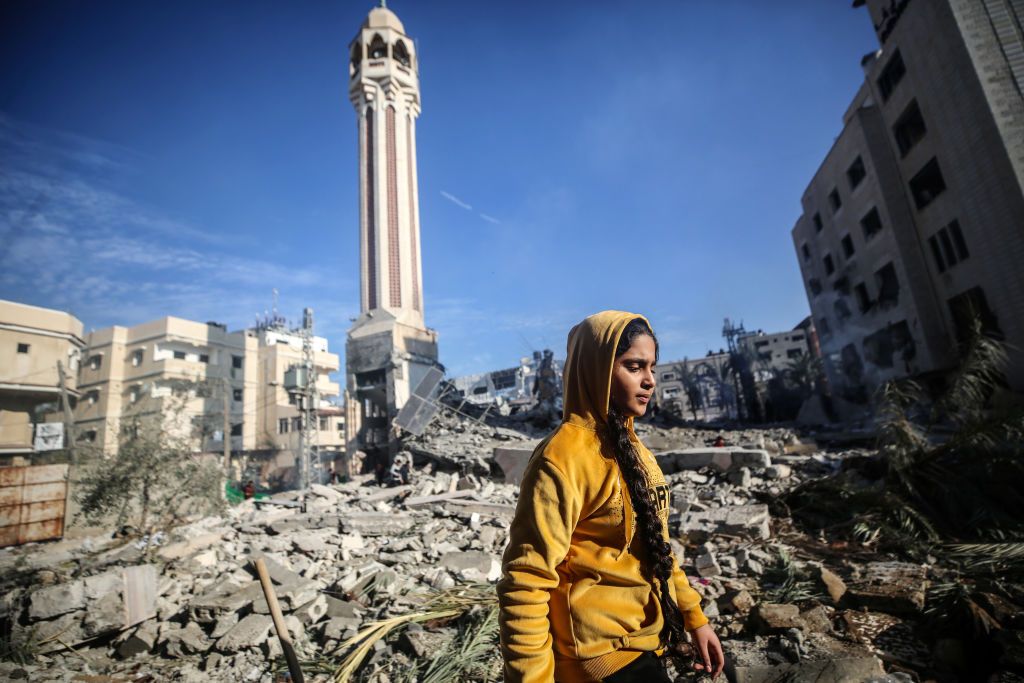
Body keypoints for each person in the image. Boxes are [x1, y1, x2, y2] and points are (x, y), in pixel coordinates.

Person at [499, 312, 725, 682]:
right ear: (598, 370)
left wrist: (694, 619)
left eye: (652, 367)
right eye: (634, 366)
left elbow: (659, 549)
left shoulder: (636, 451)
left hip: (646, 640)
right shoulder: (562, 459)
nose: (649, 380)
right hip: (599, 657)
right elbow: (526, 582)